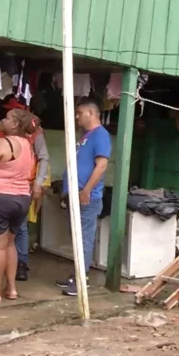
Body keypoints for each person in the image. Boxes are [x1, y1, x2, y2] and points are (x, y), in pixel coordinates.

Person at [0, 104, 50, 282]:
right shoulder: (4, 136)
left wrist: (38, 183)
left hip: (18, 188)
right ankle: (5, 278)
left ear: (17, 123)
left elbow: (44, 158)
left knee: (6, 235)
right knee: (6, 238)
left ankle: (16, 266)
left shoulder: (34, 137)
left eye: (7, 117)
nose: (2, 120)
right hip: (20, 192)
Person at [56, 98, 111, 297]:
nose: (77, 117)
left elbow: (101, 165)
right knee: (76, 238)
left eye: (80, 113)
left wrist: (86, 189)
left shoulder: (100, 135)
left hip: (87, 197)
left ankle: (82, 280)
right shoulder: (85, 136)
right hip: (76, 194)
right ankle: (75, 275)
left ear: (91, 113)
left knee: (84, 238)